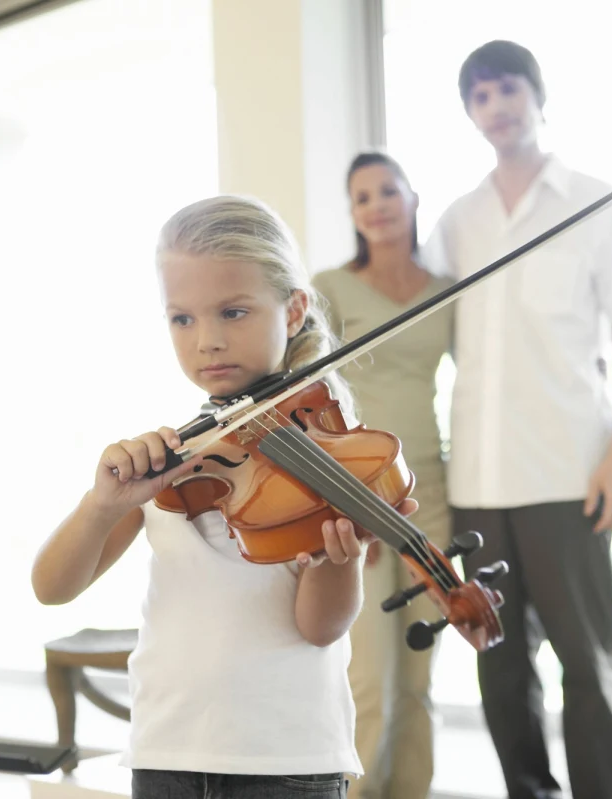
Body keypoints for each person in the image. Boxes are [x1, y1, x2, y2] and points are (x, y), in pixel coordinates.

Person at [31, 194, 420, 799]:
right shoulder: (170, 461)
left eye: (232, 313)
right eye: (181, 319)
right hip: (166, 751)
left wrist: (335, 564)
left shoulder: (326, 456)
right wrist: (102, 504)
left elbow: (319, 629)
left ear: (292, 311)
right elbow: (51, 588)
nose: (206, 341)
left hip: (287, 759)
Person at [422, 40, 612, 799]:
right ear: (469, 113)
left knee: (585, 664)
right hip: (479, 477)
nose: (497, 107)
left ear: (538, 96)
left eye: (509, 90)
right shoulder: (457, 221)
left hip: (566, 466)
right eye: (481, 96)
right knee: (498, 660)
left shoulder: (594, 198)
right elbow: (420, 325)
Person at [312, 152, 454, 799]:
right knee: (370, 676)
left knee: (421, 676)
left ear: (412, 198)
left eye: (387, 191)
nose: (376, 205)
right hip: (360, 493)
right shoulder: (331, 289)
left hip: (430, 489)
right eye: (361, 197)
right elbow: (315, 398)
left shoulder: (444, 290)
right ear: (353, 214)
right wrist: (337, 496)